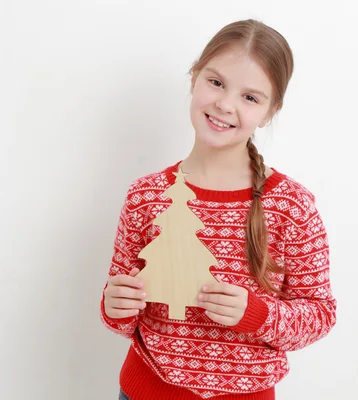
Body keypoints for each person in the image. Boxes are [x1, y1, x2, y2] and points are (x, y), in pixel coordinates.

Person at [100, 19, 337, 400]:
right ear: (194, 77)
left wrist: (256, 314)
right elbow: (121, 315)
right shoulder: (145, 196)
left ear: (271, 111)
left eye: (250, 97)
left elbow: (320, 314)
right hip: (145, 391)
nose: (225, 104)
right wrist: (116, 306)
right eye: (216, 82)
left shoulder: (291, 205)